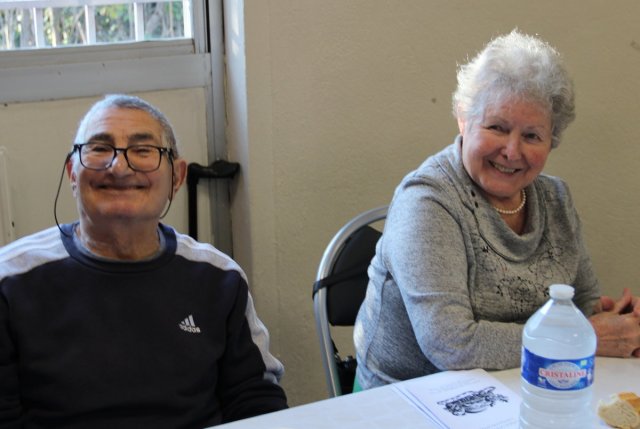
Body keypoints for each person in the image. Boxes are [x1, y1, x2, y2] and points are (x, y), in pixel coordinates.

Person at [353, 30, 640, 390]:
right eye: (497, 128)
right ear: (464, 119)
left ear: (552, 140)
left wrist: (618, 324)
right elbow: (451, 344)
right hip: (412, 397)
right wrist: (583, 337)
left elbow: (582, 304)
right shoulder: (427, 201)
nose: (512, 151)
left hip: (521, 385)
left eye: (532, 136)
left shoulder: (555, 198)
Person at [0, 94, 288, 427]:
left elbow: (254, 398)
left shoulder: (219, 278)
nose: (119, 167)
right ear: (72, 174)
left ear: (177, 177)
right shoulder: (11, 281)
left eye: (143, 150)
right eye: (99, 148)